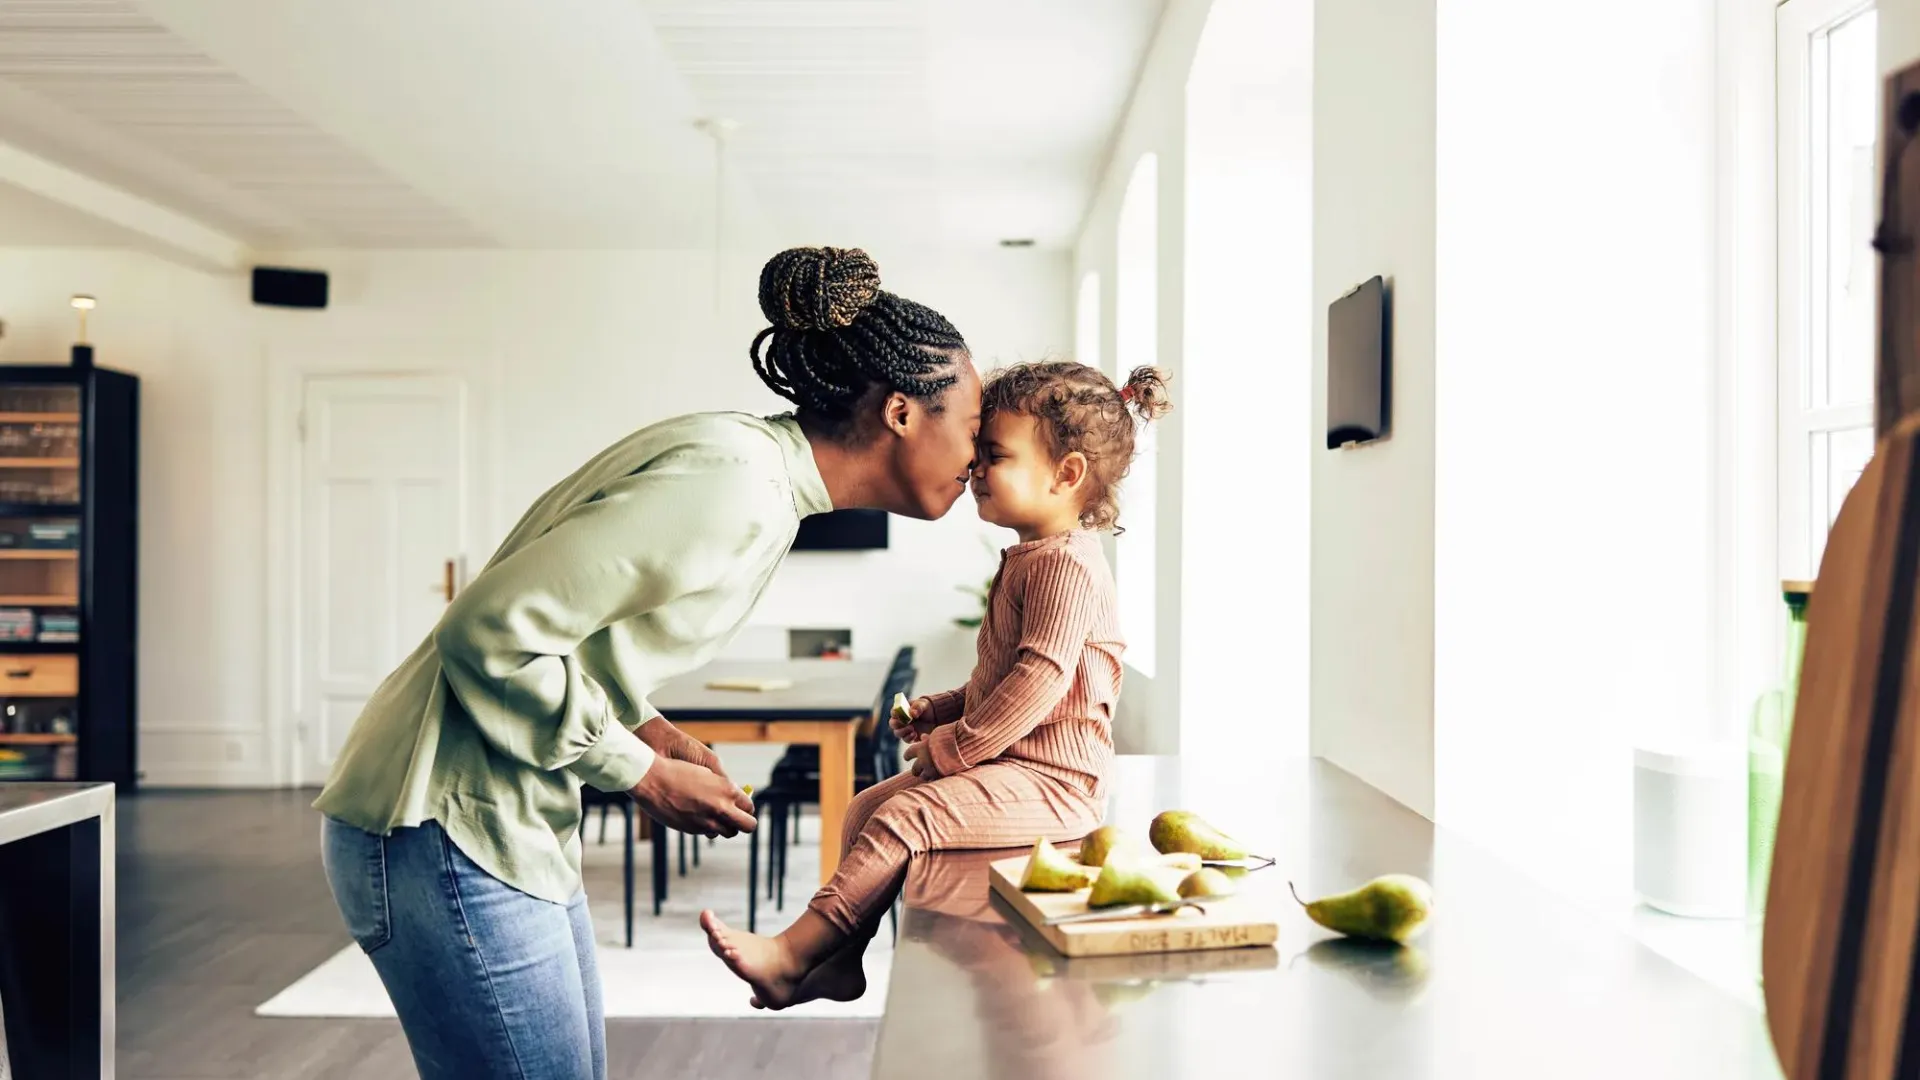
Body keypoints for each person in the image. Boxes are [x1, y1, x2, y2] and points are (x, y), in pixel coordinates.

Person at [312, 246, 983, 1080]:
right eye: (973, 425)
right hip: (441, 823)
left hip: (493, 819)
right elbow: (487, 632)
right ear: (901, 413)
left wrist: (650, 729)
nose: (980, 458)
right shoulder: (735, 486)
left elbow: (573, 637)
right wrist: (638, 773)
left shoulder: (757, 478)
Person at [701, 359, 1172, 1010]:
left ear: (1066, 476)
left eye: (995, 456)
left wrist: (957, 745)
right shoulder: (1034, 558)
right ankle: (841, 962)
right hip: (1016, 766)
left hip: (1058, 785)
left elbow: (1039, 680)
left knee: (904, 817)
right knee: (867, 807)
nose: (975, 469)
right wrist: (943, 707)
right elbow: (1006, 677)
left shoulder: (1067, 567)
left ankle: (792, 953)